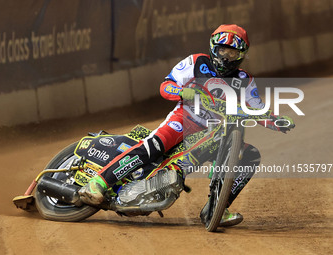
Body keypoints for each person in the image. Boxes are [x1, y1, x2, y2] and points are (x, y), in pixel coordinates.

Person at [79, 24, 295, 226]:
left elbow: (256, 109)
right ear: (214, 48)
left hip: (213, 132)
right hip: (184, 119)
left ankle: (215, 209)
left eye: (233, 53)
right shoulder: (196, 62)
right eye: (223, 51)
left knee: (251, 155)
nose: (227, 57)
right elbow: (166, 86)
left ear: (242, 55)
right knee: (155, 146)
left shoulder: (245, 80)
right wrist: (182, 91)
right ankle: (99, 182)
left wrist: (277, 121)